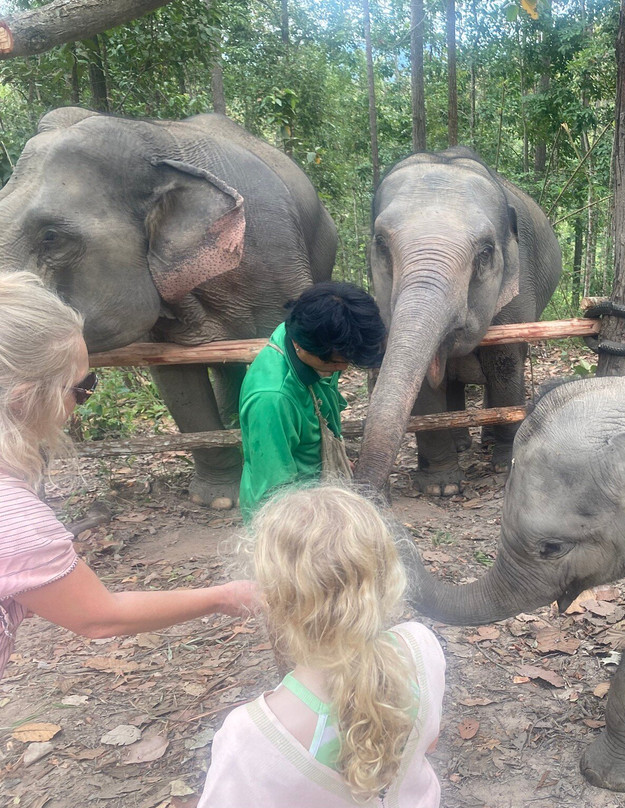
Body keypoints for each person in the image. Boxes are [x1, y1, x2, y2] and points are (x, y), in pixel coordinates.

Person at [0, 272, 257, 678]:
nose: (84, 400)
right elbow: (99, 617)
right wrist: (226, 596)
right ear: (24, 399)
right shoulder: (14, 516)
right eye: (83, 387)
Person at [198, 485, 445, 808]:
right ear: (387, 581)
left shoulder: (253, 737)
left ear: (270, 601)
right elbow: (430, 742)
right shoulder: (421, 646)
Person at [238, 282, 385, 521]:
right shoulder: (272, 400)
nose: (343, 369)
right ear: (300, 346)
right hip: (288, 516)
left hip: (319, 490)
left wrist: (331, 459)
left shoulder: (307, 330)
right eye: (335, 364)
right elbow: (275, 492)